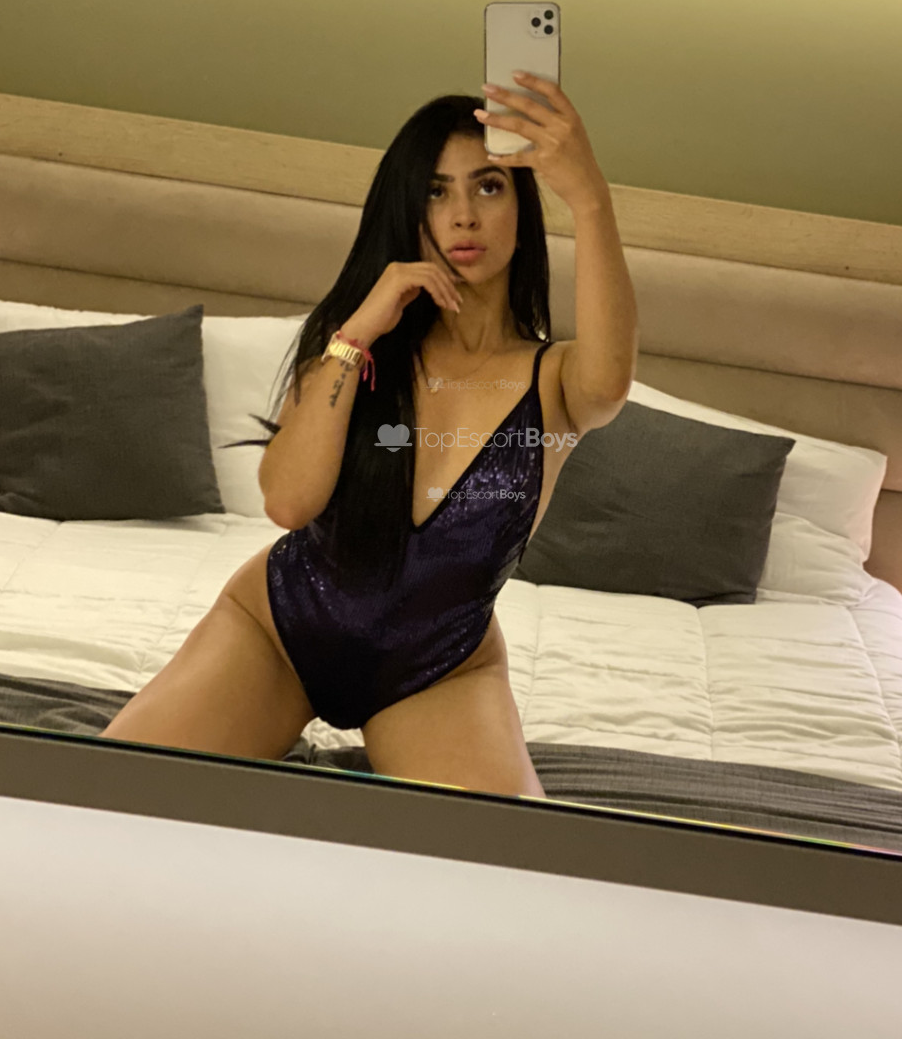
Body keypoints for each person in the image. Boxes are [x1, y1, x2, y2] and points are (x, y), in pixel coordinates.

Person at [99, 72, 637, 797]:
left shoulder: (557, 381)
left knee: (504, 858)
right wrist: (356, 334)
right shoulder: (354, 343)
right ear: (406, 210)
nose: (463, 217)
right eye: (435, 192)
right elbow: (289, 503)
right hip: (280, 631)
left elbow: (610, 382)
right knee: (107, 799)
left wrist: (590, 196)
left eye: (488, 187)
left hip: (437, 668)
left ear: (522, 205)